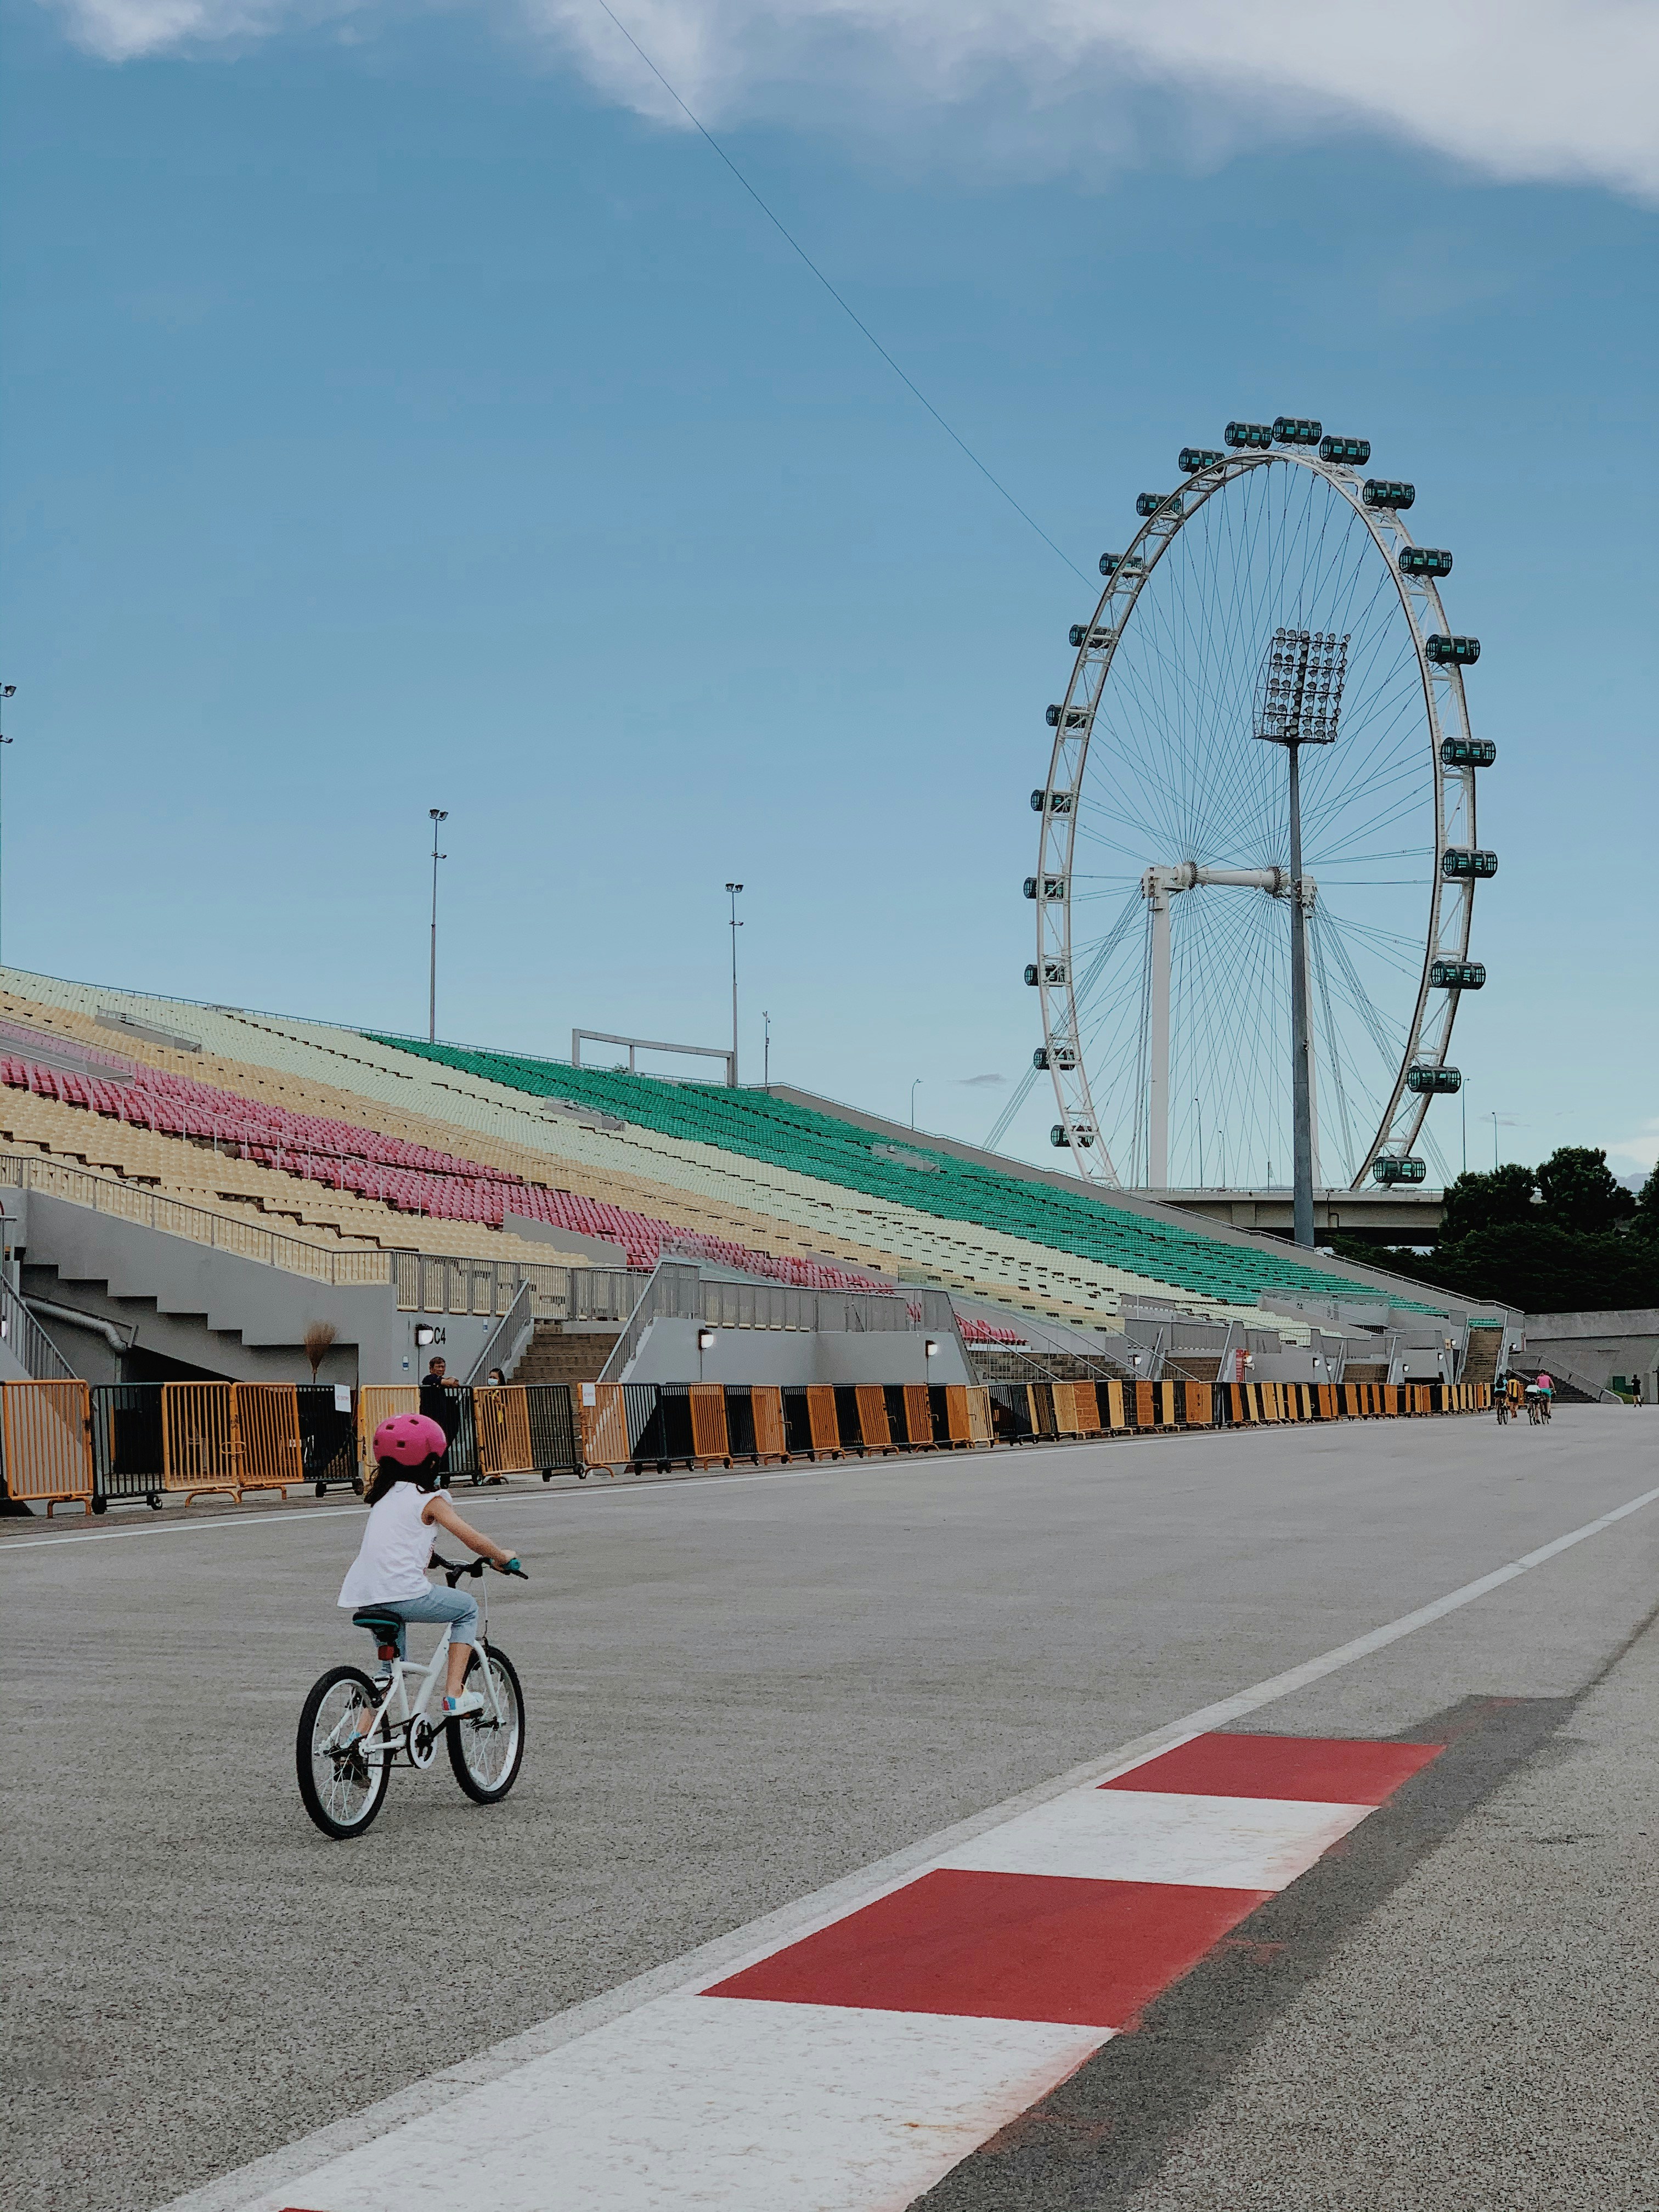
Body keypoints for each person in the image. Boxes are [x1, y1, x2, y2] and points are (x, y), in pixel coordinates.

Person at [338, 1412, 521, 1722]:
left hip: (366, 1595)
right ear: (431, 1462)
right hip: (402, 1594)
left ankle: (358, 1743)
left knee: (387, 1672)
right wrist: (500, 1556)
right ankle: (454, 1694)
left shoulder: (384, 1497)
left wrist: (431, 1559)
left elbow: (397, 1543)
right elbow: (472, 1539)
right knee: (466, 1608)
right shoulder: (431, 1499)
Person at [419, 1356, 458, 1484]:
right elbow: (449, 1382)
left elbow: (455, 1383)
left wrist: (450, 1381)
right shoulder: (428, 1379)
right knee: (431, 1449)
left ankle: (445, 1477)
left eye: (443, 1366)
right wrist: (449, 1381)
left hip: (443, 1421)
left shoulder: (440, 1381)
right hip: (430, 1421)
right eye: (438, 1367)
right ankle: (431, 1476)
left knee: (443, 1447)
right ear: (431, 1369)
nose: (441, 1369)